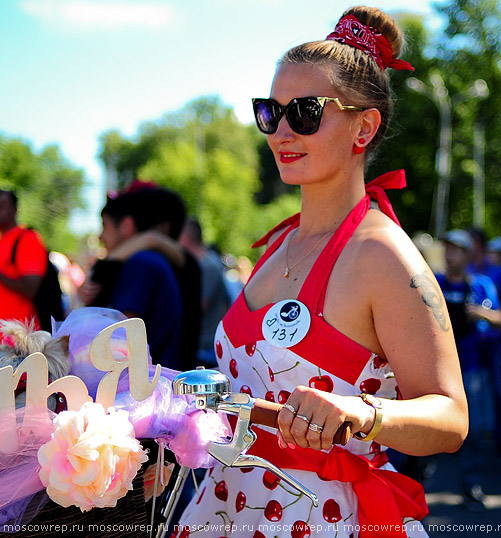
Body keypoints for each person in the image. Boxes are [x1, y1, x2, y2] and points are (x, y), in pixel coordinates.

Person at [177, 8, 467, 537]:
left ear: (364, 126)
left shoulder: (384, 255)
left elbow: (451, 419)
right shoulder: (280, 243)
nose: (281, 131)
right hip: (226, 506)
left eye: (306, 113)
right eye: (271, 112)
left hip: (321, 516)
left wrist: (360, 411)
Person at [435, 230, 501, 511]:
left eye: (456, 250)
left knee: (474, 430)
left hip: (470, 367)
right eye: (447, 249)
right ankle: (413, 487)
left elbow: (500, 318)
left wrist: (481, 313)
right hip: (435, 368)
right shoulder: (433, 281)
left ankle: (470, 485)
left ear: (467, 255)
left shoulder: (480, 284)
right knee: (426, 427)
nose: (450, 255)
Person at [81, 191, 183, 370]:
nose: (101, 236)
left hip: (145, 387)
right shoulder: (148, 260)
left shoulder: (141, 264)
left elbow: (120, 337)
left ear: (126, 225)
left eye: (105, 225)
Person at [0, 189, 49, 330]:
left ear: (15, 208)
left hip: (16, 338)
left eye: (1, 206)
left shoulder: (27, 239)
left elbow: (30, 288)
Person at [180, 218, 230, 368]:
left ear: (185, 238)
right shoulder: (205, 263)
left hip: (204, 349)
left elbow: (197, 306)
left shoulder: (208, 266)